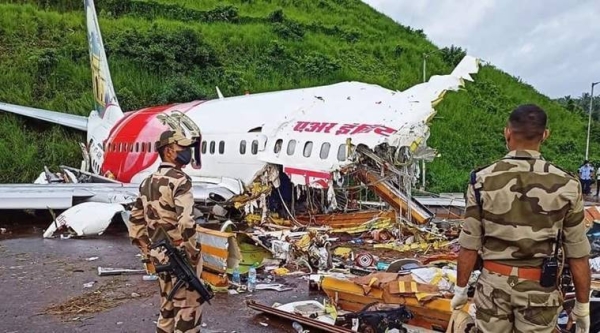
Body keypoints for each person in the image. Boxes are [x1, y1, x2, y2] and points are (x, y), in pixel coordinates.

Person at [451, 104, 591, 333]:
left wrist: (460, 289)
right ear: (545, 135)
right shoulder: (568, 184)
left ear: (507, 132)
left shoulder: (481, 180)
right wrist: (582, 306)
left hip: (492, 288)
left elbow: (469, 245)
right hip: (539, 292)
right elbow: (577, 253)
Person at [128, 130, 204, 333]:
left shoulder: (147, 182)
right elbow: (186, 222)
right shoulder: (180, 180)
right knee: (188, 310)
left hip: (160, 255)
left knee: (168, 306)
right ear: (169, 151)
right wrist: (193, 252)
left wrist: (148, 251)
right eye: (182, 148)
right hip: (180, 254)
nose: (187, 152)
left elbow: (135, 221)